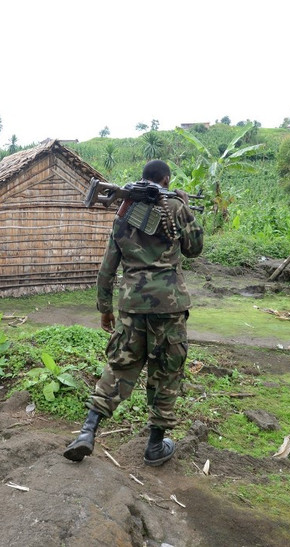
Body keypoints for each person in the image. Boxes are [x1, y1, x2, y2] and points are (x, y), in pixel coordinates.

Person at [63, 160, 204, 466]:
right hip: (169, 306)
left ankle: (87, 433)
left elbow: (107, 268)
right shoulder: (176, 207)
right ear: (166, 179)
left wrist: (104, 308)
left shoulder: (123, 211)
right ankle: (154, 447)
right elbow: (195, 248)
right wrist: (186, 206)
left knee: (119, 366)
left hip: (131, 306)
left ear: (142, 179)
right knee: (166, 374)